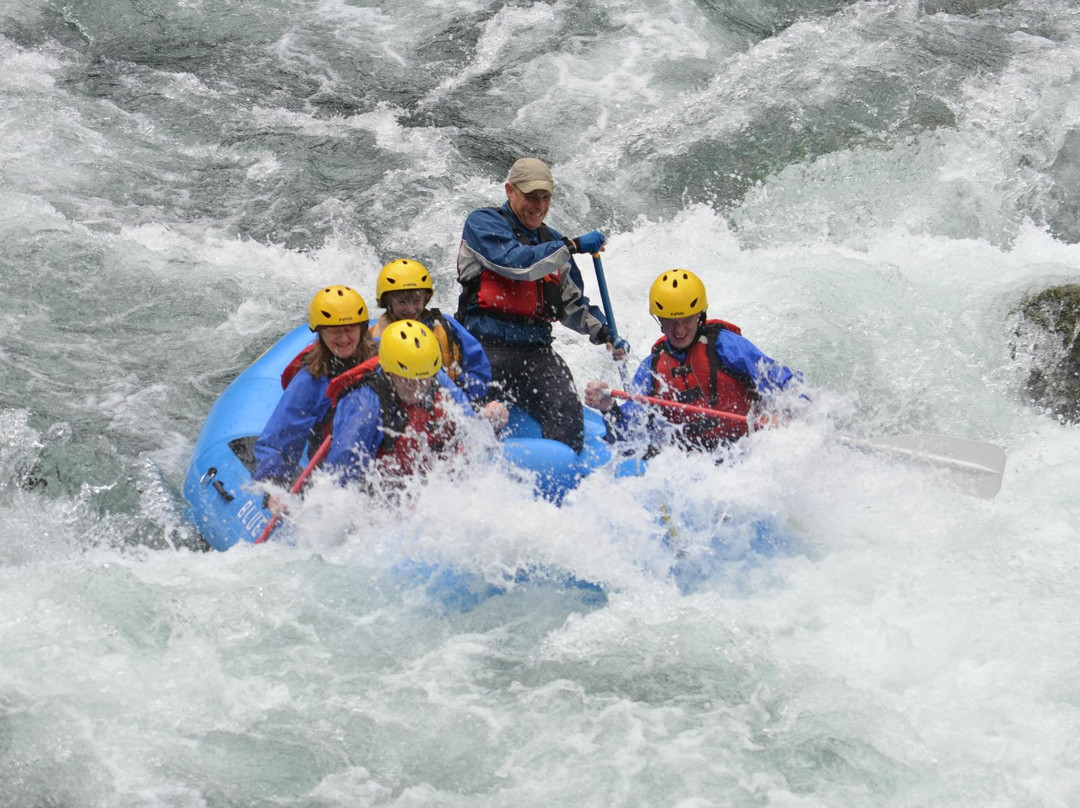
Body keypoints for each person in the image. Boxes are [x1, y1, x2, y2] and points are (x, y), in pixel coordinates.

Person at [456, 156, 628, 454]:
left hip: (535, 354)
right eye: (530, 197)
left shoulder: (553, 244)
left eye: (545, 197)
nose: (538, 205)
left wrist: (605, 333)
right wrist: (571, 246)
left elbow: (572, 305)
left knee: (567, 411)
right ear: (509, 190)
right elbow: (515, 264)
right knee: (479, 418)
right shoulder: (482, 224)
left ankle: (563, 475)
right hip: (483, 350)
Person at [584, 269, 804, 455]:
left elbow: (792, 386)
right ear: (659, 319)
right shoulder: (652, 368)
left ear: (700, 316)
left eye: (687, 320)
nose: (679, 330)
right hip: (689, 463)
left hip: (744, 451)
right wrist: (609, 408)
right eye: (670, 321)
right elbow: (627, 439)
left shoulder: (729, 348)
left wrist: (781, 415)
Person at [325, 319, 509, 486]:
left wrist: (488, 421)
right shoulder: (365, 404)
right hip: (383, 491)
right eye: (407, 379)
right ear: (389, 373)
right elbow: (342, 477)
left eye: (423, 379)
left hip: (428, 482)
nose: (418, 387)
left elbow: (469, 429)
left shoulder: (434, 376)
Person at [253, 285, 378, 493]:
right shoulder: (311, 380)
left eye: (350, 329)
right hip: (334, 480)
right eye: (334, 331)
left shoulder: (385, 358)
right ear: (320, 332)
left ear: (362, 328)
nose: (344, 338)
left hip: (383, 466)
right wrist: (274, 485)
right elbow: (278, 440)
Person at [370, 257, 493, 403]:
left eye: (416, 301)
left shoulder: (445, 325)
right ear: (387, 303)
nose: (410, 309)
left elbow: (479, 370)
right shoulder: (374, 333)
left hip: (446, 405)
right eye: (402, 302)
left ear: (425, 299)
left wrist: (460, 399)